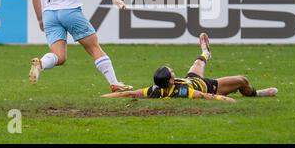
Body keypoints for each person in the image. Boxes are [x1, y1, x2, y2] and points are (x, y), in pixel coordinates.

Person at [102, 33, 278, 101]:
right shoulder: (183, 90)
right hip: (210, 86)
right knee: (242, 80)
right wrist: (224, 99)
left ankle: (206, 52)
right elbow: (203, 95)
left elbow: (131, 93)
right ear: (170, 80)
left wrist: (105, 96)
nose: (172, 70)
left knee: (199, 61)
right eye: (171, 72)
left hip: (193, 79)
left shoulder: (156, 89)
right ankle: (257, 93)